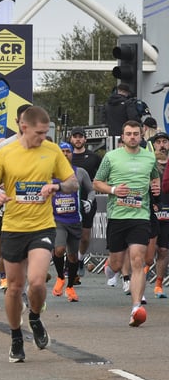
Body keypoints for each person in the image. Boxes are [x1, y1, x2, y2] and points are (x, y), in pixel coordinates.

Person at [0, 106, 78, 362]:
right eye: (39, 133)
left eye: (46, 133)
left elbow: (73, 182)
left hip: (42, 226)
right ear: (24, 127)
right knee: (14, 287)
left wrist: (55, 185)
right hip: (13, 227)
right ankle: (15, 337)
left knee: (35, 282)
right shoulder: (6, 152)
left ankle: (34, 317)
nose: (43, 138)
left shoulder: (52, 150)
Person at [95, 120, 160, 326]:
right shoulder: (111, 157)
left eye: (136, 134)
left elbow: (155, 177)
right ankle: (110, 268)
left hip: (140, 216)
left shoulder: (150, 158)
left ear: (141, 136)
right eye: (128, 134)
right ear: (122, 137)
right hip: (117, 216)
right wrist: (114, 190)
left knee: (138, 261)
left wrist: (155, 187)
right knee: (116, 262)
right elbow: (97, 182)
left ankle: (136, 308)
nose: (132, 137)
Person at [50, 142, 94, 302]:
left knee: (73, 256)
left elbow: (91, 190)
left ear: (72, 154)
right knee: (59, 249)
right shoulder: (50, 172)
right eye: (62, 151)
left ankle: (70, 287)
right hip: (58, 219)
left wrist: (89, 202)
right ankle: (60, 277)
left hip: (75, 219)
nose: (65, 154)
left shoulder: (79, 172)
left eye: (68, 151)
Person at [69, 126, 102, 274]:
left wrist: (97, 183)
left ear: (85, 139)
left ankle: (80, 258)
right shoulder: (66, 156)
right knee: (67, 234)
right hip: (67, 200)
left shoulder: (94, 157)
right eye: (75, 137)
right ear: (71, 139)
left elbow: (102, 175)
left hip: (87, 200)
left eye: (80, 137)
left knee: (84, 236)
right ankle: (71, 262)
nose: (78, 139)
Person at [150, 131, 169, 298]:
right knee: (150, 251)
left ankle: (158, 285)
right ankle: (136, 281)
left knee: (163, 250)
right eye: (159, 142)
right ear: (154, 145)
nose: (162, 145)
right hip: (151, 213)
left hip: (168, 214)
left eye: (165, 141)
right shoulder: (148, 164)